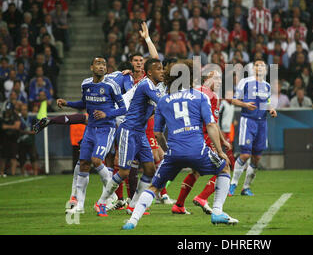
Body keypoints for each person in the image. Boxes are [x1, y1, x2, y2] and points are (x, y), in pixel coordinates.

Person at [122, 60, 238, 230]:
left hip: (174, 152)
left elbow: (157, 133)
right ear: (190, 78)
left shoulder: (163, 101)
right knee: (224, 168)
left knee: (154, 186)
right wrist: (220, 151)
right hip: (197, 150)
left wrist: (168, 150)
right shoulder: (201, 97)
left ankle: (132, 221)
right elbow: (211, 125)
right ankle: (217, 211)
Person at [94, 57, 164, 217]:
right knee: (124, 172)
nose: (162, 71)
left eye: (162, 68)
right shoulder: (146, 85)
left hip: (140, 132)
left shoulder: (153, 86)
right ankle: (101, 202)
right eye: (158, 69)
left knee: (150, 169)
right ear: (150, 72)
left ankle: (133, 205)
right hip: (129, 130)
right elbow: (161, 102)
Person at [61, 56, 127, 215]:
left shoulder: (112, 85)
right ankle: (80, 206)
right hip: (90, 128)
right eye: (98, 64)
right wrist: (67, 104)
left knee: (96, 160)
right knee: (83, 163)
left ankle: (109, 195)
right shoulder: (86, 84)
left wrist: (107, 114)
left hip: (106, 129)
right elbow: (84, 103)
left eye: (104, 64)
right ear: (92, 67)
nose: (102, 67)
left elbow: (123, 108)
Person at [171, 69, 234, 215]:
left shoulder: (195, 91)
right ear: (207, 79)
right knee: (224, 166)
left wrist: (223, 140)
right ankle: (202, 197)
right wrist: (221, 142)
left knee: (196, 171)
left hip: (189, 136)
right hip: (204, 137)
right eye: (216, 78)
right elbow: (211, 123)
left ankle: (179, 204)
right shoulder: (211, 96)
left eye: (220, 79)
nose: (219, 81)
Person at [229, 59, 277, 196]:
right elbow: (233, 100)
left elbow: (266, 103)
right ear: (253, 68)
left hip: (262, 123)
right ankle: (233, 185)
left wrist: (271, 109)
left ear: (266, 70)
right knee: (245, 154)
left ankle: (246, 187)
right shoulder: (245, 82)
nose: (259, 68)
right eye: (257, 65)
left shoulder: (267, 86)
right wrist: (245, 105)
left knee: (257, 158)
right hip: (248, 121)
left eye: (262, 65)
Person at [0, 103, 21, 177]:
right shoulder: (3, 116)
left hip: (13, 139)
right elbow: (2, 127)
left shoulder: (16, 116)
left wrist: (7, 126)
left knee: (13, 157)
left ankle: (13, 173)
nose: (8, 111)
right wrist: (12, 126)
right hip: (4, 139)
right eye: (7, 110)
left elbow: (17, 127)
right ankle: (1, 173)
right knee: (3, 157)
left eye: (9, 110)